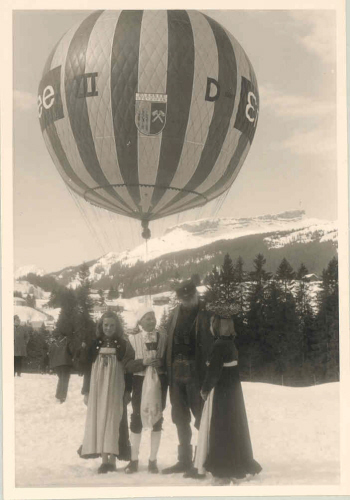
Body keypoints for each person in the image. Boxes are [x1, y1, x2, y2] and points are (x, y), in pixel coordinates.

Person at [194, 315, 262, 485]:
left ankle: (223, 467)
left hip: (222, 392)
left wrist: (205, 389)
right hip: (232, 392)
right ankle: (239, 462)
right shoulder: (230, 343)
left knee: (220, 426)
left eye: (213, 324)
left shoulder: (218, 345)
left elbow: (214, 372)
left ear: (217, 327)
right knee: (234, 425)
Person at [162, 279, 214, 476]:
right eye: (183, 298)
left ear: (195, 295)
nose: (186, 301)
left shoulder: (206, 314)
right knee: (179, 417)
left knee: (201, 416)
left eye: (189, 297)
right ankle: (184, 460)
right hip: (175, 372)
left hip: (197, 373)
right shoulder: (174, 314)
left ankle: (202, 460)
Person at [78, 311, 134, 474]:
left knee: (114, 419)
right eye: (106, 325)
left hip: (116, 387)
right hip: (98, 388)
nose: (108, 328)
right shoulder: (94, 344)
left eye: (112, 325)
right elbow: (87, 369)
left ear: (117, 327)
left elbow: (129, 370)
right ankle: (104, 460)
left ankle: (112, 459)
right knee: (100, 419)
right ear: (101, 326)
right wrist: (86, 391)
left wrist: (128, 391)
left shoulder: (123, 344)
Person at [124, 307, 168, 474]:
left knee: (157, 417)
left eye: (153, 317)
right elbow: (127, 364)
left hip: (159, 381)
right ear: (140, 321)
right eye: (148, 318)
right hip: (140, 381)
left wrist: (161, 362)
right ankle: (134, 460)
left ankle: (153, 460)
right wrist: (143, 362)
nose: (152, 320)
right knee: (137, 417)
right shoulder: (133, 339)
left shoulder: (163, 338)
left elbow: (168, 359)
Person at [49, 331, 73, 403]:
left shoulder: (54, 343)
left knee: (61, 379)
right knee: (65, 380)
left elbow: (50, 353)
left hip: (56, 364)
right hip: (65, 363)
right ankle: (62, 397)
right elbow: (71, 351)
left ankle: (58, 395)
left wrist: (51, 366)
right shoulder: (67, 342)